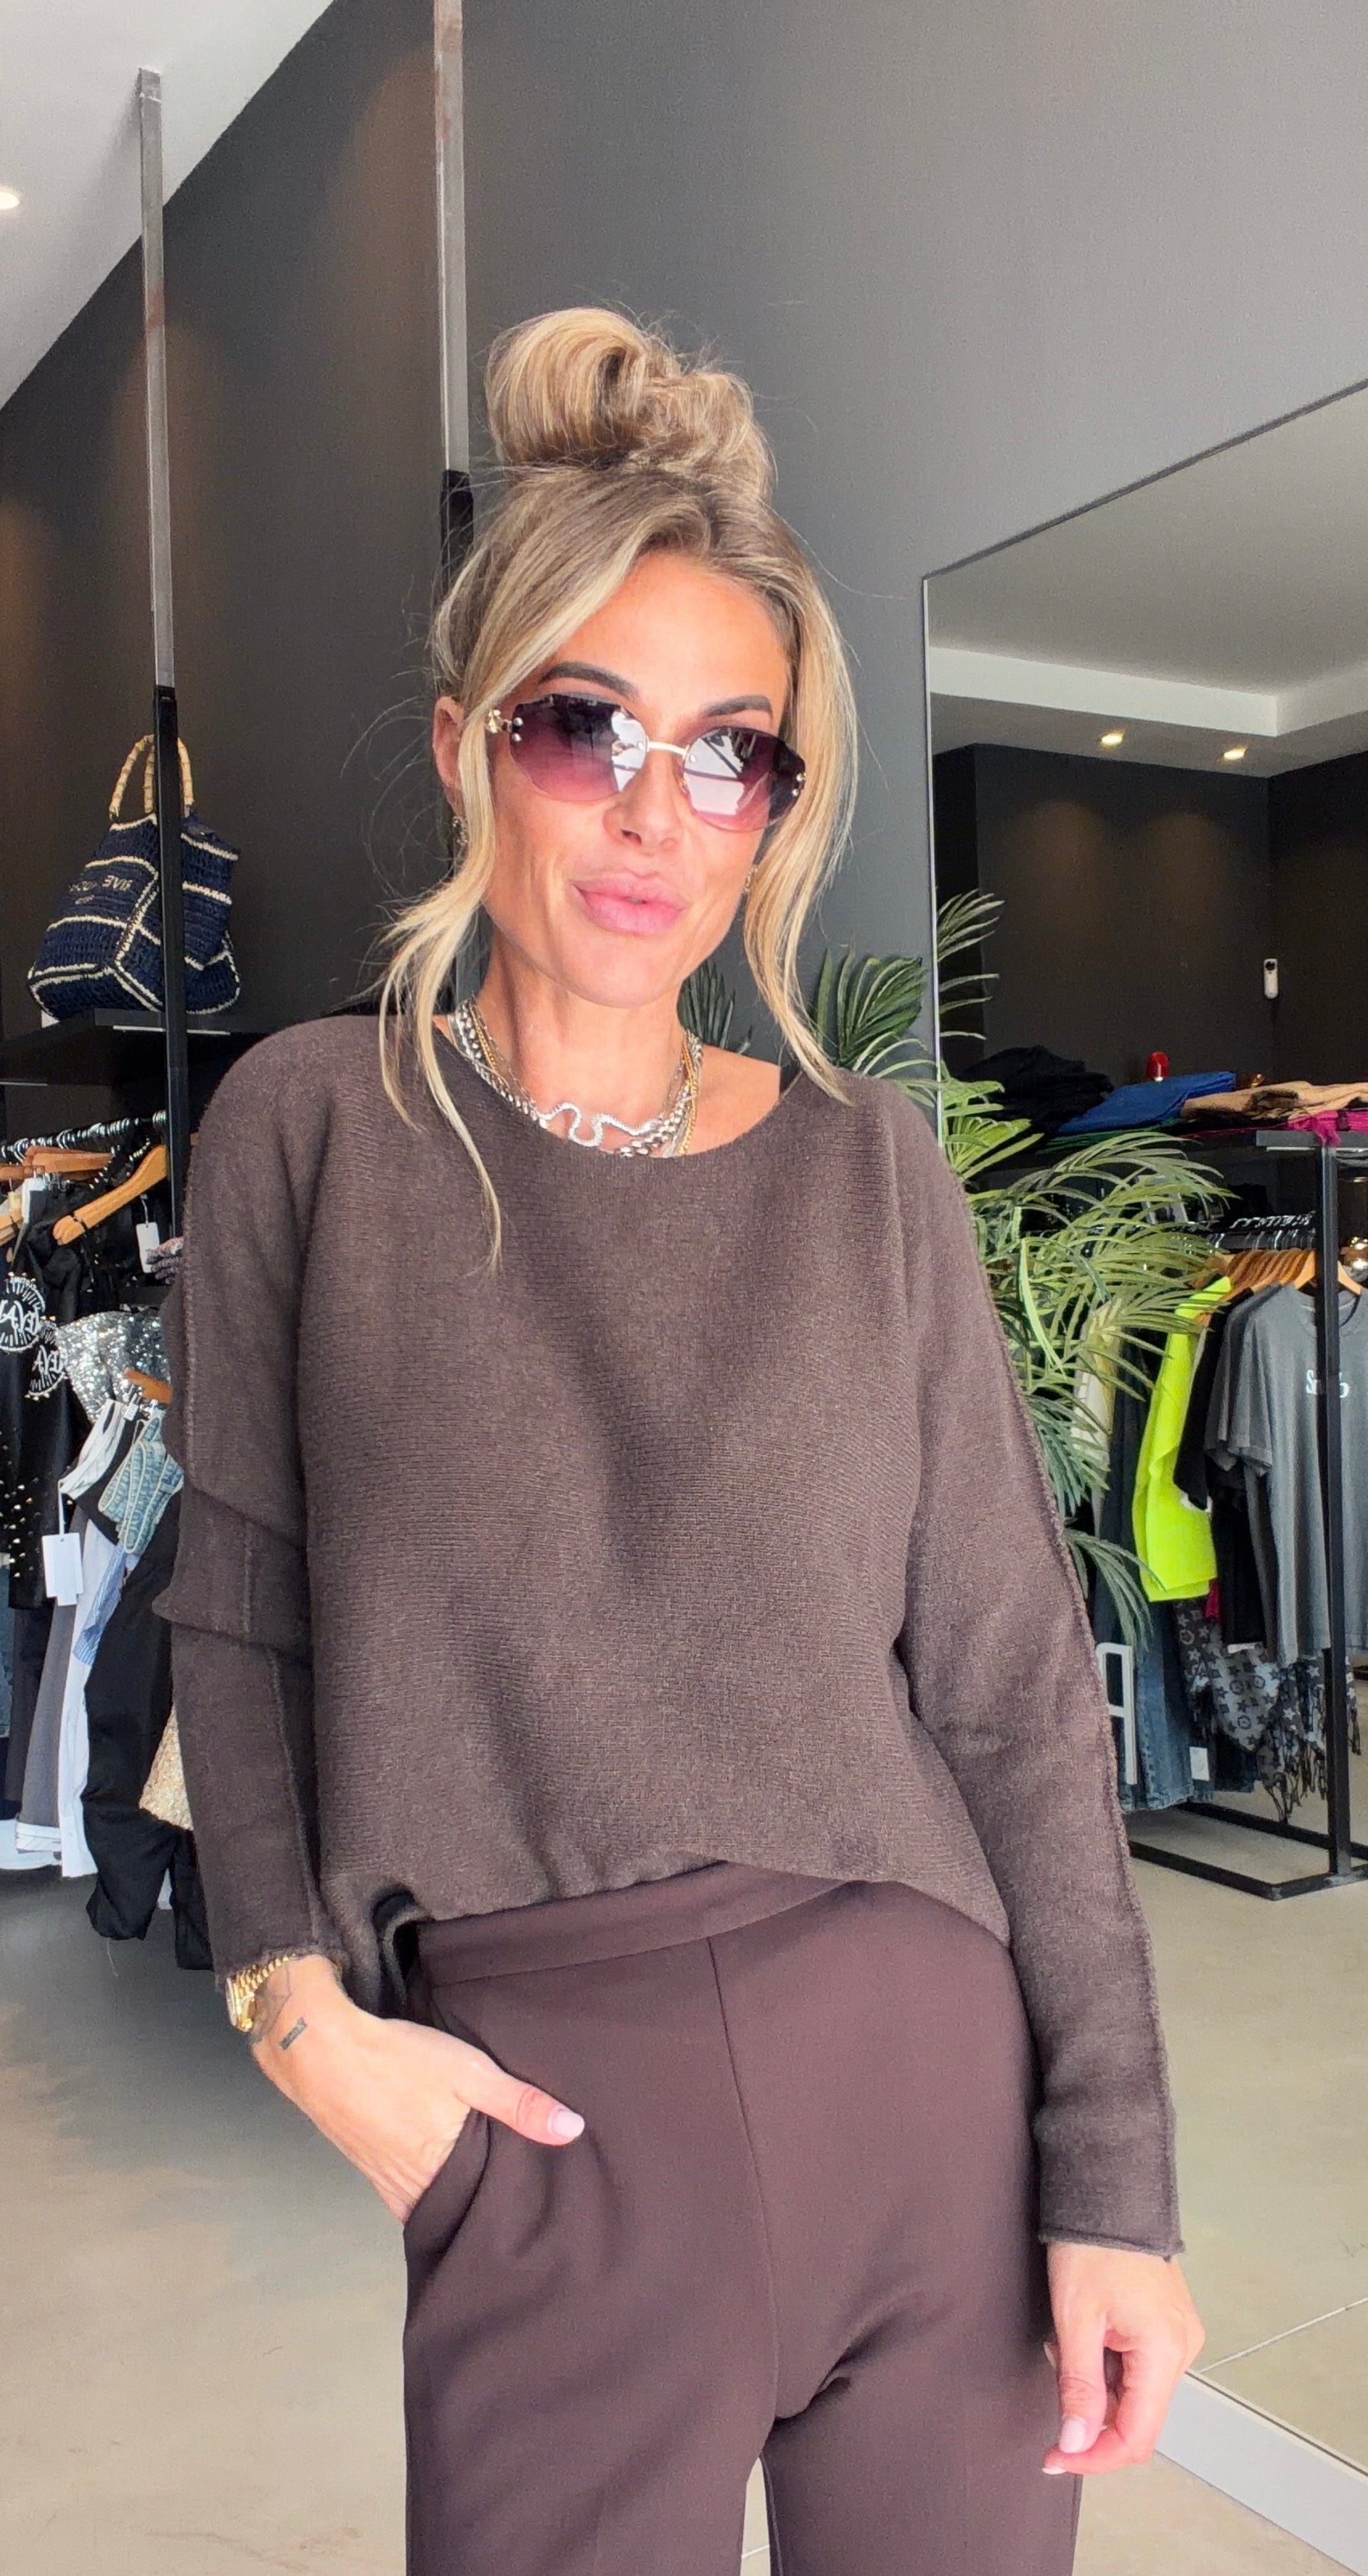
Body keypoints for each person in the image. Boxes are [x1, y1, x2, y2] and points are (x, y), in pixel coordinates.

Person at [153, 307, 1203, 2576]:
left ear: (776, 810)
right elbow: (236, 1619)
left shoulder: (868, 1171)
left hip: (930, 2106)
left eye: (731, 754)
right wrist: (296, 2015)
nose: (657, 812)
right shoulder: (309, 1134)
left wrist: (1113, 2183)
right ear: (467, 748)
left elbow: (1012, 1692)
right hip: (549, 2137)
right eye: (585, 727)